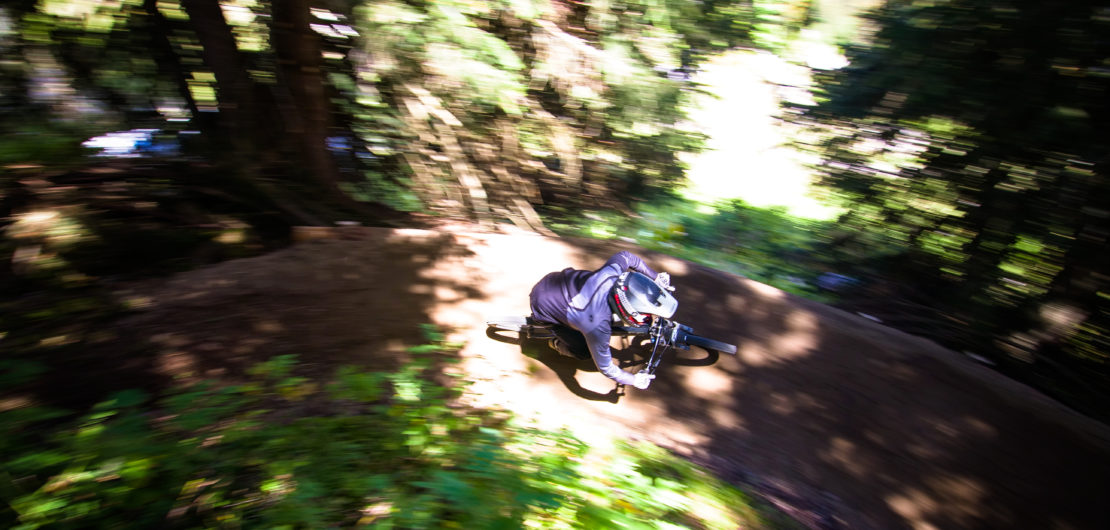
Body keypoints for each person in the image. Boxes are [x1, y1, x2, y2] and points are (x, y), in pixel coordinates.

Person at [529, 251, 676, 390]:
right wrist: (634, 380)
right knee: (584, 352)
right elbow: (606, 367)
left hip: (556, 281)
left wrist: (655, 277)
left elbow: (626, 256)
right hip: (542, 306)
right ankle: (556, 343)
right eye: (642, 313)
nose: (645, 317)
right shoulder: (597, 325)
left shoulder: (611, 274)